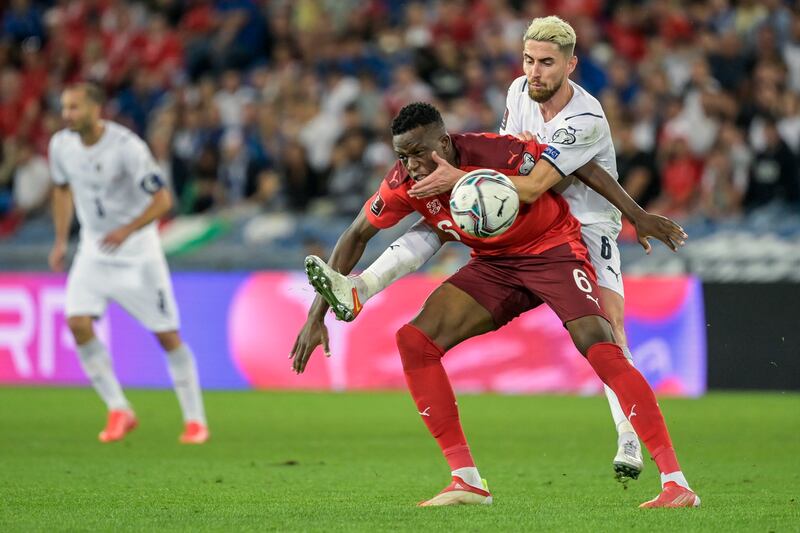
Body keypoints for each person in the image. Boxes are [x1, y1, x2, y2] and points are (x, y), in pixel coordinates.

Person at [303, 16, 671, 482]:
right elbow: (514, 151)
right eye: (529, 60)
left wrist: (636, 214)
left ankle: (628, 437)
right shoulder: (519, 92)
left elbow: (554, 176)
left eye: (546, 63)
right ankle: (361, 288)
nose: (535, 71)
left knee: (610, 328)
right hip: (523, 203)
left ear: (570, 65)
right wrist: (473, 193)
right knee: (441, 216)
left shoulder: (585, 116)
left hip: (584, 218)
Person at [48, 83, 209, 444]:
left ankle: (195, 420)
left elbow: (163, 200)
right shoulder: (61, 146)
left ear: (95, 108)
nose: (67, 115)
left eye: (74, 107)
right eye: (64, 107)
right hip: (93, 249)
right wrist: (61, 241)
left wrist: (127, 230)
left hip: (137, 253)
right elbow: (61, 189)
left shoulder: (127, 148)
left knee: (166, 335)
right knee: (77, 322)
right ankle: (118, 407)